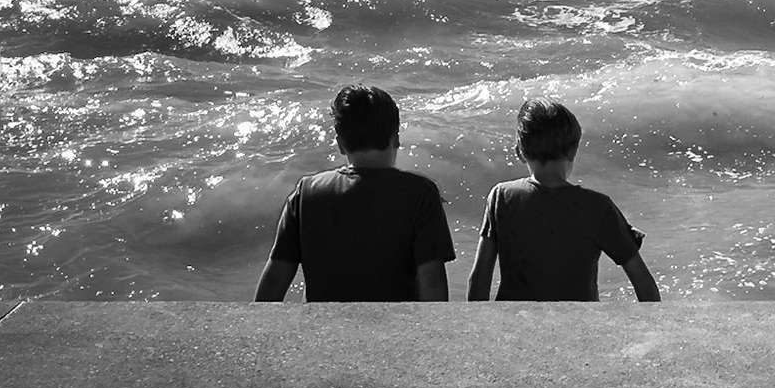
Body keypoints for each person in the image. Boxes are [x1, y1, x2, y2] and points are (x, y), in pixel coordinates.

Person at [254, 85, 456, 302]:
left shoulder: (307, 193)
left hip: (321, 329)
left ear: (341, 144)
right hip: (398, 329)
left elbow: (276, 278)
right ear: (396, 138)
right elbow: (432, 282)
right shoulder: (420, 194)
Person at [466, 98, 660, 302]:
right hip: (577, 327)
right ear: (573, 150)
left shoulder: (502, 197)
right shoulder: (597, 207)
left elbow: (479, 278)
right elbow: (643, 282)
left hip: (515, 326)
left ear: (519, 152)